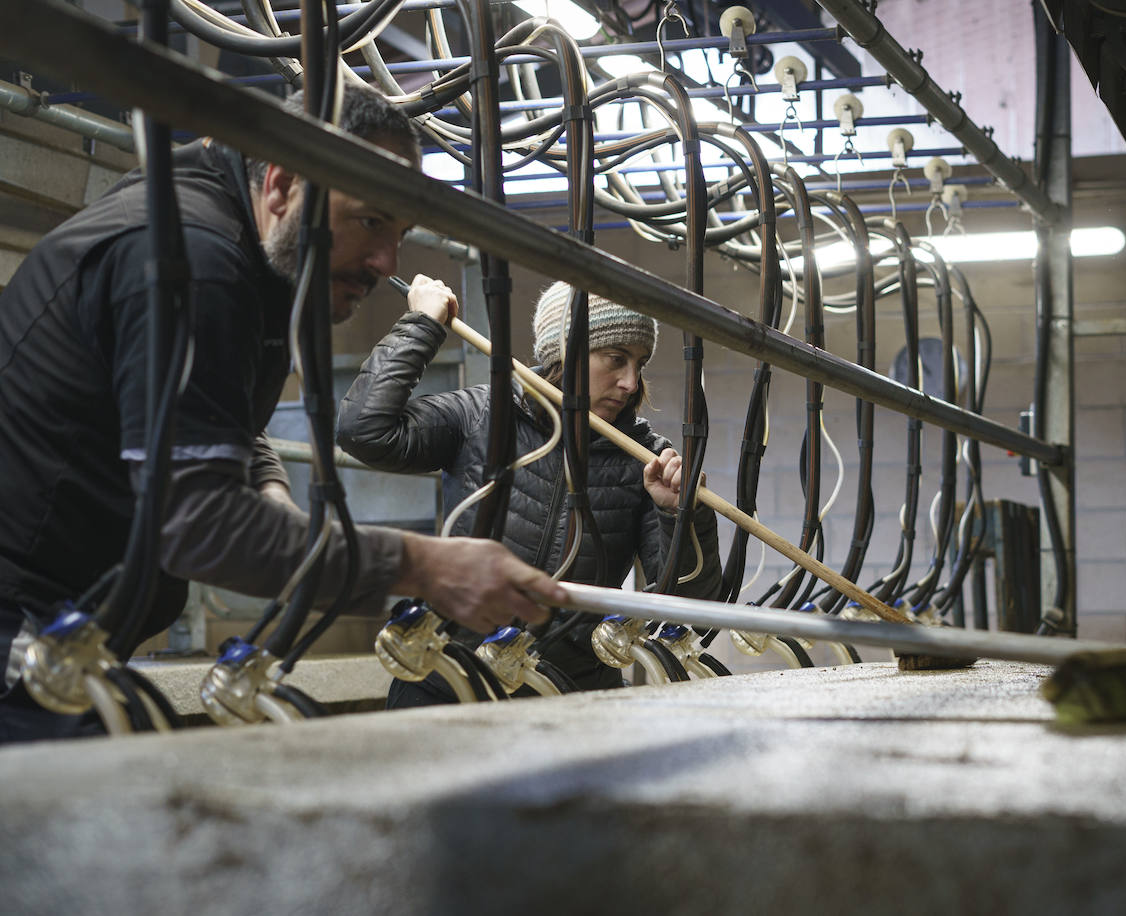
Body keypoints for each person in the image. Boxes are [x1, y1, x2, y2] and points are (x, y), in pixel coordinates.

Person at [0, 84, 563, 742]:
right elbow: (197, 526)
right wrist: (426, 566)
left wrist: (269, 493)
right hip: (20, 620)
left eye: (400, 232)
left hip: (64, 618)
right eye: (371, 221)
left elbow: (208, 411)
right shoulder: (195, 261)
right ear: (280, 185)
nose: (387, 263)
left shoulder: (240, 251)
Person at [337, 277, 722, 701]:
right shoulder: (484, 416)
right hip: (451, 675)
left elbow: (690, 614)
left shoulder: (646, 459)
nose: (631, 382)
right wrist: (422, 325)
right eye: (616, 358)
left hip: (571, 692)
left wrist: (680, 515)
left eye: (640, 363)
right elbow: (364, 431)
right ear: (566, 352)